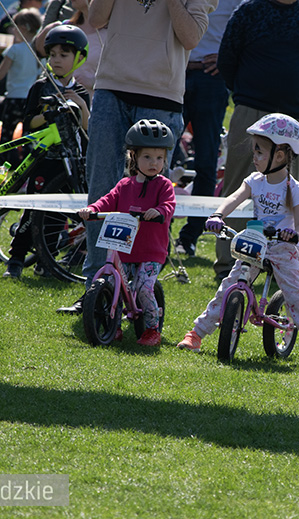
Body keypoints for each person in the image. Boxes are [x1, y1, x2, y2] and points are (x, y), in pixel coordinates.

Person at [57, 0, 216, 315]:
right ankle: (98, 287)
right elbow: (98, 18)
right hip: (111, 88)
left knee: (149, 199)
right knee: (101, 188)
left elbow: (191, 39)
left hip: (162, 95)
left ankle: (138, 291)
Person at [176, 114, 299, 367]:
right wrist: (218, 214)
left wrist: (294, 235)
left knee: (296, 297)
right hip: (256, 244)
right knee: (228, 287)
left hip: (284, 248)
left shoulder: (293, 188)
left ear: (279, 156)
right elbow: (234, 198)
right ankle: (195, 334)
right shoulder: (254, 182)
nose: (254, 157)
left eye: (259, 152)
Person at [213, 0, 299, 281]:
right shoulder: (249, 10)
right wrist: (248, 95)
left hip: (297, 115)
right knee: (238, 183)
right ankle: (229, 264)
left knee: (290, 189)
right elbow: (227, 59)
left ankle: (280, 268)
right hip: (252, 111)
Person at [1, 24, 91, 279]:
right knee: (33, 210)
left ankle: (46, 261)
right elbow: (29, 122)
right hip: (44, 159)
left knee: (57, 214)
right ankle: (16, 258)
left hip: (70, 163)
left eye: (64, 55)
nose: (56, 60)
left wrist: (81, 105)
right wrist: (50, 113)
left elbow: (88, 128)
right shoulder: (40, 87)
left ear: (79, 58)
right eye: (52, 55)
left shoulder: (81, 90)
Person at [78, 119, 176, 346]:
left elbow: (169, 206)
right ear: (134, 157)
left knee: (142, 287)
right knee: (113, 284)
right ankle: (115, 326)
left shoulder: (164, 185)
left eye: (159, 158)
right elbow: (108, 200)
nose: (154, 163)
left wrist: (158, 210)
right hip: (125, 247)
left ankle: (152, 328)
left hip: (151, 251)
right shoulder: (124, 185)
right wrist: (92, 209)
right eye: (147, 157)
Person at [173, 0, 241, 258]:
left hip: (210, 77)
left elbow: (243, 31)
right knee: (160, 155)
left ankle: (190, 236)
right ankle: (157, 229)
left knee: (206, 159)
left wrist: (226, 59)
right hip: (174, 71)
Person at [0, 8, 44, 164]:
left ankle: (2, 170)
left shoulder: (14, 50)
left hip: (14, 99)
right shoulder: (39, 52)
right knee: (28, 139)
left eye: (15, 26)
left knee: (6, 140)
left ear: (24, 27)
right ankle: (26, 173)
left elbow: (0, 74)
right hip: (30, 101)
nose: (12, 30)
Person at [35, 0, 105, 96]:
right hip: (57, 97)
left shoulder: (109, 32)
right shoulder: (66, 27)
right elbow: (40, 51)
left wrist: (93, 82)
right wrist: (50, 29)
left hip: (92, 102)